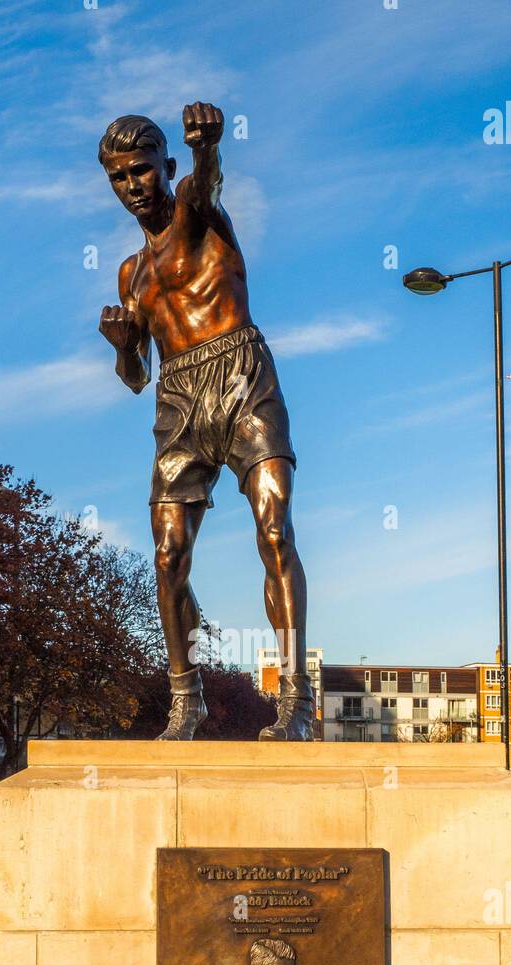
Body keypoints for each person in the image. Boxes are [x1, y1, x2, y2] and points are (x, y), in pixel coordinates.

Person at [98, 104, 312, 740]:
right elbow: (135, 378)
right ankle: (186, 698)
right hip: (179, 399)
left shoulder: (198, 207)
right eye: (119, 177)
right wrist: (121, 345)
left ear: (164, 167)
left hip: (243, 376)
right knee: (168, 558)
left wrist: (206, 146)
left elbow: (209, 177)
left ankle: (296, 700)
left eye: (141, 170)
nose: (133, 185)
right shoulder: (131, 275)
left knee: (274, 531)